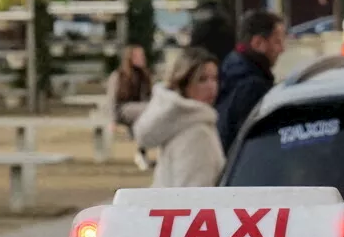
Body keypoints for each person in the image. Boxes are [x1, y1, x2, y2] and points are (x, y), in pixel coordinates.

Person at [133, 48, 225, 188]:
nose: (211, 86)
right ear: (184, 83)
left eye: (215, 78)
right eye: (202, 79)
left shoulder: (178, 122)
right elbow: (193, 196)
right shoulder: (197, 132)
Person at [215, 10, 287, 152]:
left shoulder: (230, 71)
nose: (282, 49)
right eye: (277, 42)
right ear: (258, 43)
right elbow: (259, 144)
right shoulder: (253, 87)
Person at [106, 44, 154, 171]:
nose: (143, 58)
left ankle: (142, 152)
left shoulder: (144, 75)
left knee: (148, 113)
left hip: (141, 112)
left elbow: (149, 97)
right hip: (122, 110)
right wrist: (112, 120)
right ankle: (141, 152)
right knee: (147, 110)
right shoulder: (119, 75)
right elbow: (112, 99)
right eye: (139, 56)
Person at [189, 0, 237, 65]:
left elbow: (193, 48)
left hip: (205, 62)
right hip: (224, 62)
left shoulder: (200, 28)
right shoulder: (226, 27)